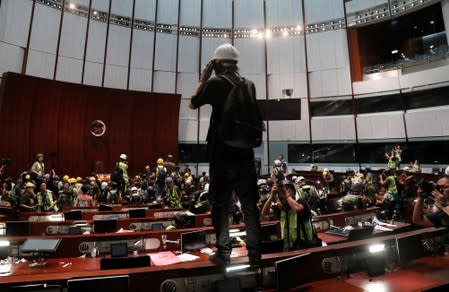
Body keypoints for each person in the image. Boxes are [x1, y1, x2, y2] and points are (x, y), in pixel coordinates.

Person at [189, 43, 261, 267]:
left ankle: (224, 252)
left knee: (220, 204)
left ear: (216, 64)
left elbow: (193, 104)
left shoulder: (215, 83)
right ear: (236, 63)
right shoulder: (249, 85)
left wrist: (203, 78)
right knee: (250, 205)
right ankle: (255, 254)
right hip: (246, 154)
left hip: (221, 155)